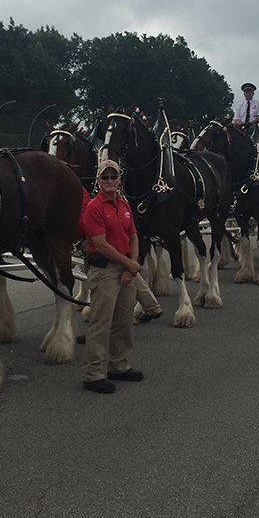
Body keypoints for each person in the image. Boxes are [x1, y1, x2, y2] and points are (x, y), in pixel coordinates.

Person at [80, 159, 144, 394]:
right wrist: (130, 265)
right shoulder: (94, 207)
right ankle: (94, 373)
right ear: (98, 181)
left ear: (119, 179)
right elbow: (100, 244)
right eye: (105, 177)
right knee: (101, 322)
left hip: (126, 270)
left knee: (124, 321)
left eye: (113, 177)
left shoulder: (124, 204)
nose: (109, 181)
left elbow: (134, 236)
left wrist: (131, 267)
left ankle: (119, 365)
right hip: (105, 270)